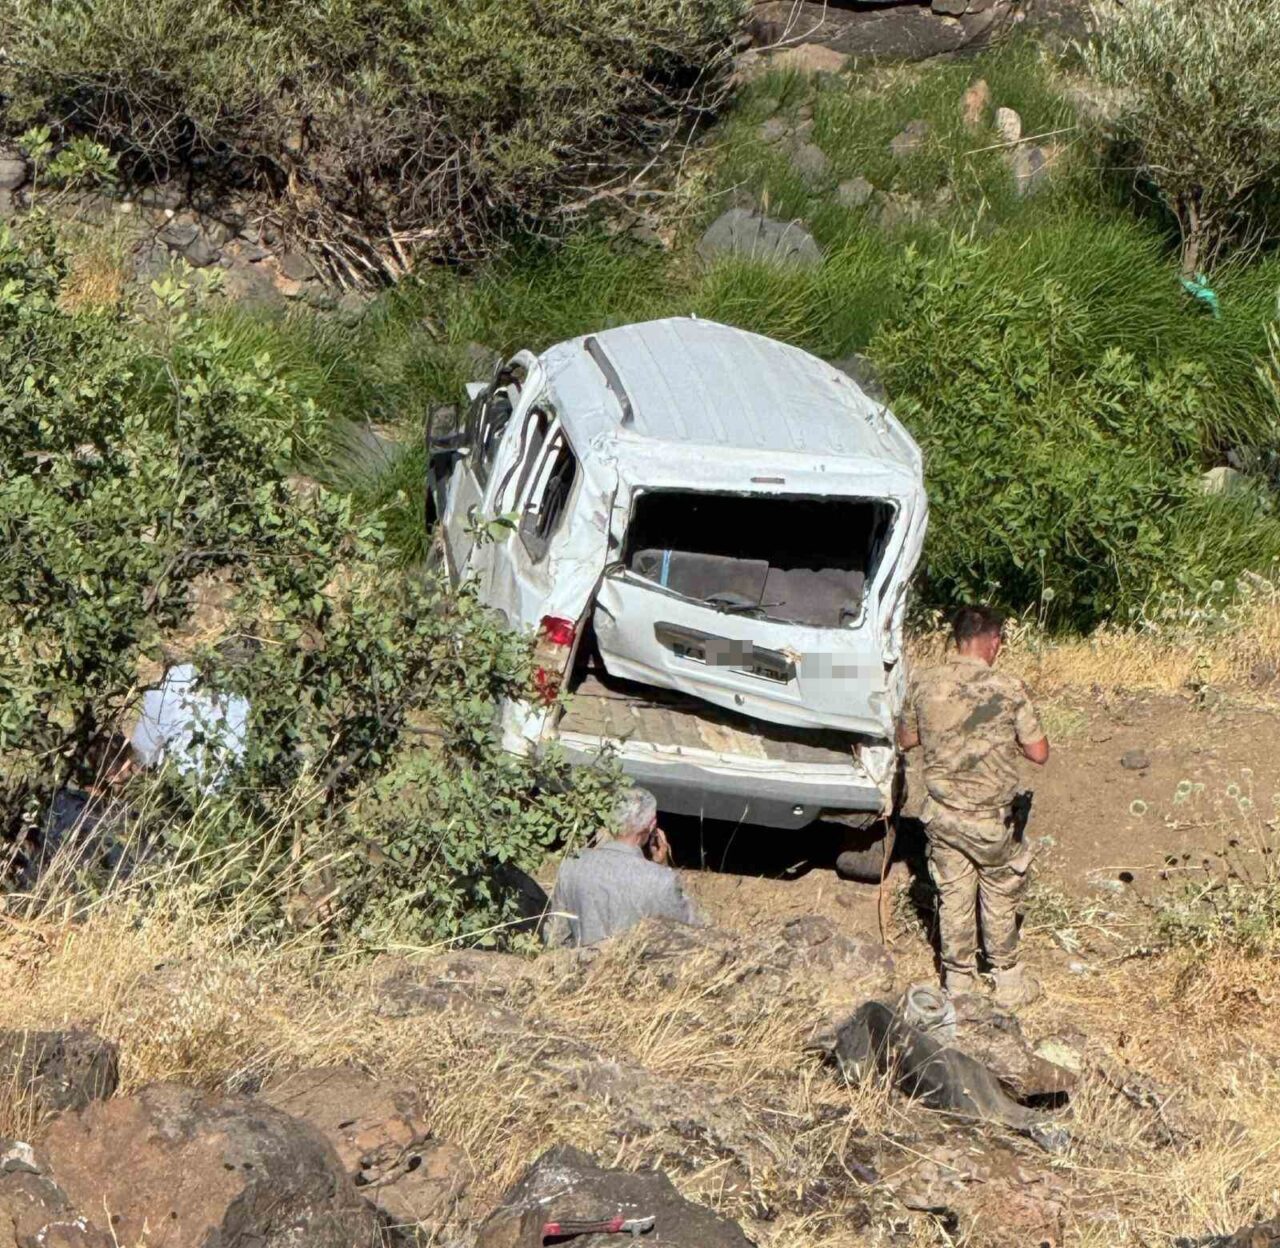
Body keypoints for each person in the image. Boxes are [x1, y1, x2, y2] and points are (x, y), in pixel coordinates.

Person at [897, 606, 1050, 1008]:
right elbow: (1039, 753)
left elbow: (906, 738)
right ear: (994, 641)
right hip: (991, 822)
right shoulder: (1008, 687)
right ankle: (1008, 982)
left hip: (943, 817)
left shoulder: (923, 683)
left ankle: (959, 983)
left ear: (957, 637)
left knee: (954, 895)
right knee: (999, 891)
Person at [542, 788, 701, 948]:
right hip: (635, 970)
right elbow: (694, 929)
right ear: (652, 825)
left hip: (581, 968)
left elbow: (554, 934)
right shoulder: (660, 880)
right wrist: (664, 867)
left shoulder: (572, 864)